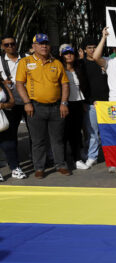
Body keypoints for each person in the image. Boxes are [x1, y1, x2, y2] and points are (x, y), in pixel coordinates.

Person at [15, 33, 70, 178]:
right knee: (38, 140)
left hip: (56, 107)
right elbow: (19, 84)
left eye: (46, 43)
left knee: (57, 139)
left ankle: (61, 165)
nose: (44, 46)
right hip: (35, 107)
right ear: (34, 46)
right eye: (40, 43)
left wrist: (64, 103)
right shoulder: (25, 62)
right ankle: (39, 168)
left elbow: (65, 84)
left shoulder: (56, 63)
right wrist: (27, 102)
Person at [0, 35, 27, 179]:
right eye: (7, 45)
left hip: (27, 100)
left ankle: (19, 166)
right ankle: (13, 166)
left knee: (35, 134)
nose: (10, 47)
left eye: (12, 44)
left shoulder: (26, 57)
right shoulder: (0, 61)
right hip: (9, 105)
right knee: (9, 137)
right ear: (2, 47)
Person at [60, 44, 89, 171]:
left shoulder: (79, 68)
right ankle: (64, 160)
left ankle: (77, 159)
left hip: (78, 103)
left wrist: (83, 102)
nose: (69, 55)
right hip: (64, 104)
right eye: (66, 53)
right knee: (64, 134)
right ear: (61, 55)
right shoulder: (59, 68)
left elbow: (82, 87)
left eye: (71, 53)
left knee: (76, 134)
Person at [80, 37, 109, 168]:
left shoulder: (104, 62)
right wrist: (85, 102)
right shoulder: (81, 64)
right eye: (89, 48)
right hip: (91, 104)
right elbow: (80, 85)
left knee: (108, 132)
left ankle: (111, 157)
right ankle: (92, 156)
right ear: (85, 50)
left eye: (94, 47)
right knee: (92, 132)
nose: (92, 50)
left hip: (107, 103)